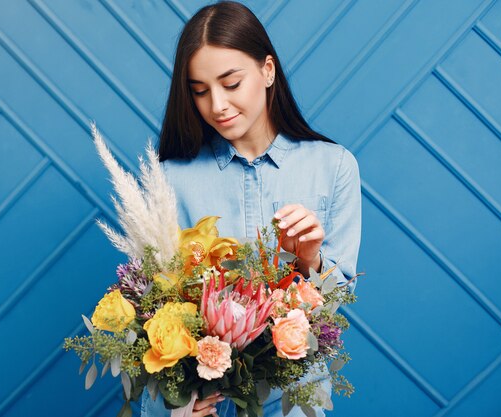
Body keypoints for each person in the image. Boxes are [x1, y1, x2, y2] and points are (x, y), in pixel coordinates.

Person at [140, 1, 361, 416]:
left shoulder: (333, 167)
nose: (217, 105)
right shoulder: (168, 179)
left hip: (294, 402)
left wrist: (308, 258)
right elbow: (151, 313)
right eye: (200, 90)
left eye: (231, 83)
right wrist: (174, 406)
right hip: (198, 404)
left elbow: (336, 311)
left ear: (267, 70)